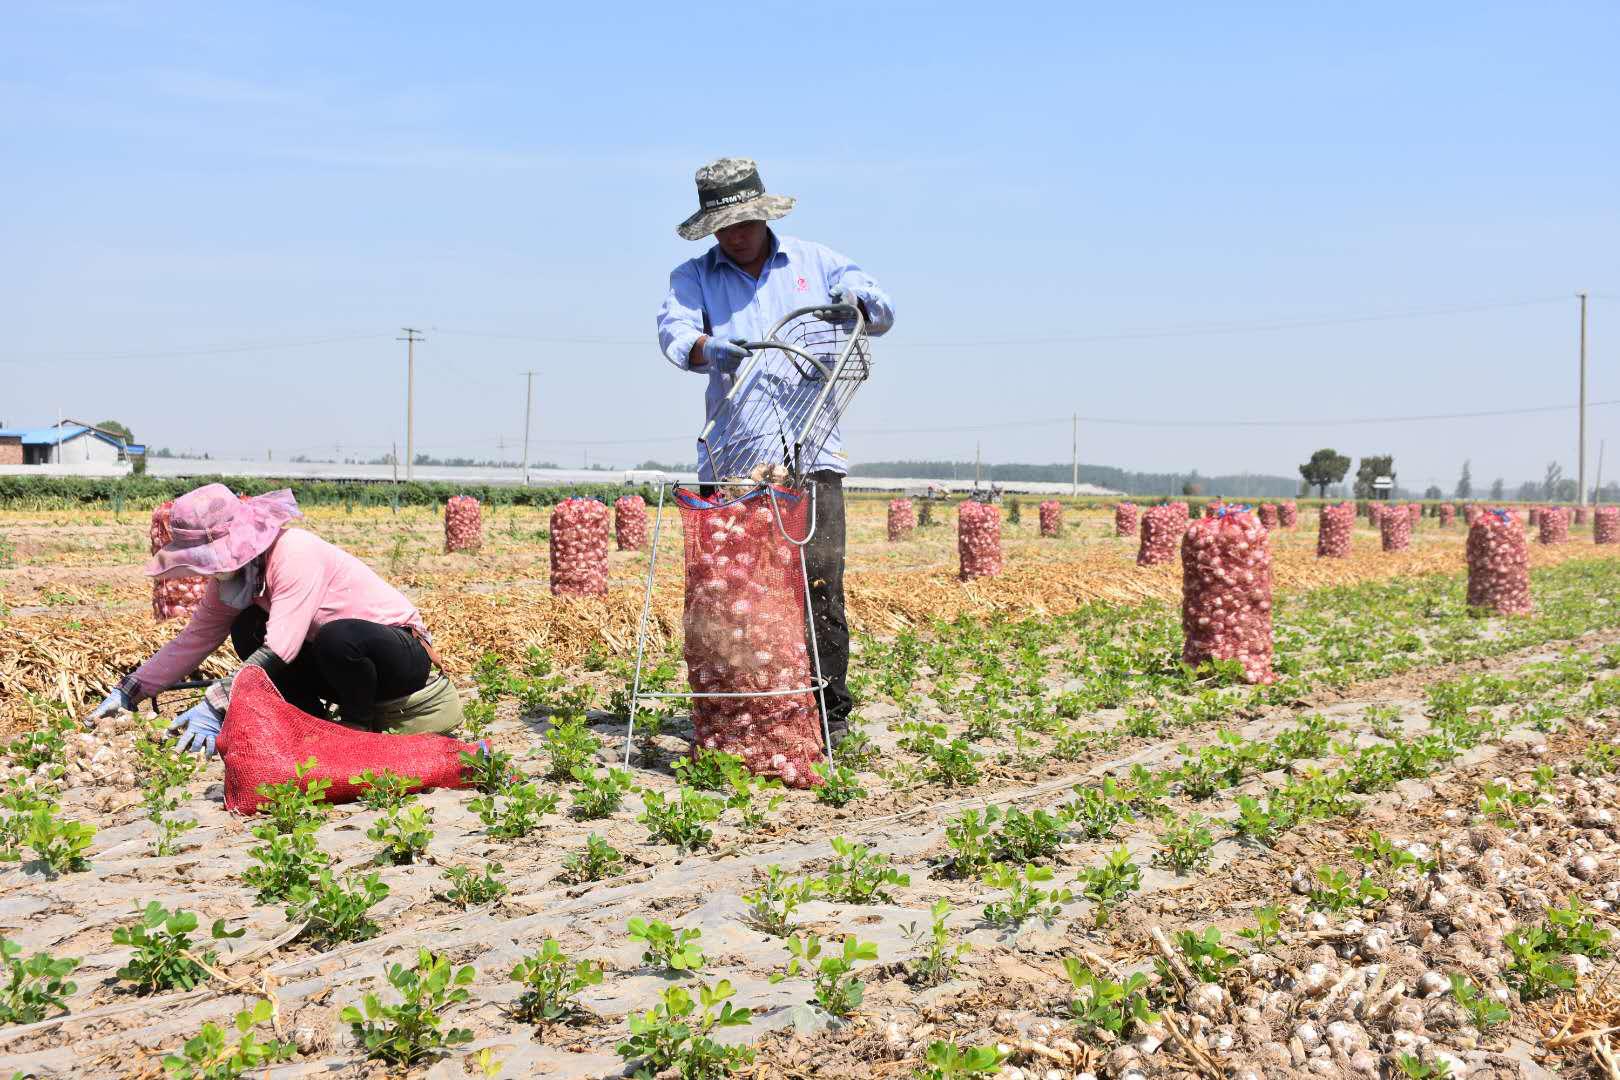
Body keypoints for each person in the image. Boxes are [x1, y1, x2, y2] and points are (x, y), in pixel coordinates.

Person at [656, 157, 894, 747]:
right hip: (734, 459)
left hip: (812, 451)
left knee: (818, 582)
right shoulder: (694, 276)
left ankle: (827, 712)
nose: (735, 235)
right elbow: (674, 334)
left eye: (745, 222)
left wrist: (861, 297)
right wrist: (711, 347)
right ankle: (741, 710)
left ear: (764, 215)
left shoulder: (818, 262)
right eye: (724, 226)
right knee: (734, 590)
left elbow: (881, 314)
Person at [85, 484, 444, 755]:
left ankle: (355, 731)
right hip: (342, 668)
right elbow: (194, 640)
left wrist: (216, 703)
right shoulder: (238, 580)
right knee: (246, 629)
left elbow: (282, 647)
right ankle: (311, 725)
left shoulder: (294, 553)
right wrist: (130, 689)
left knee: (339, 636)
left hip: (399, 657)